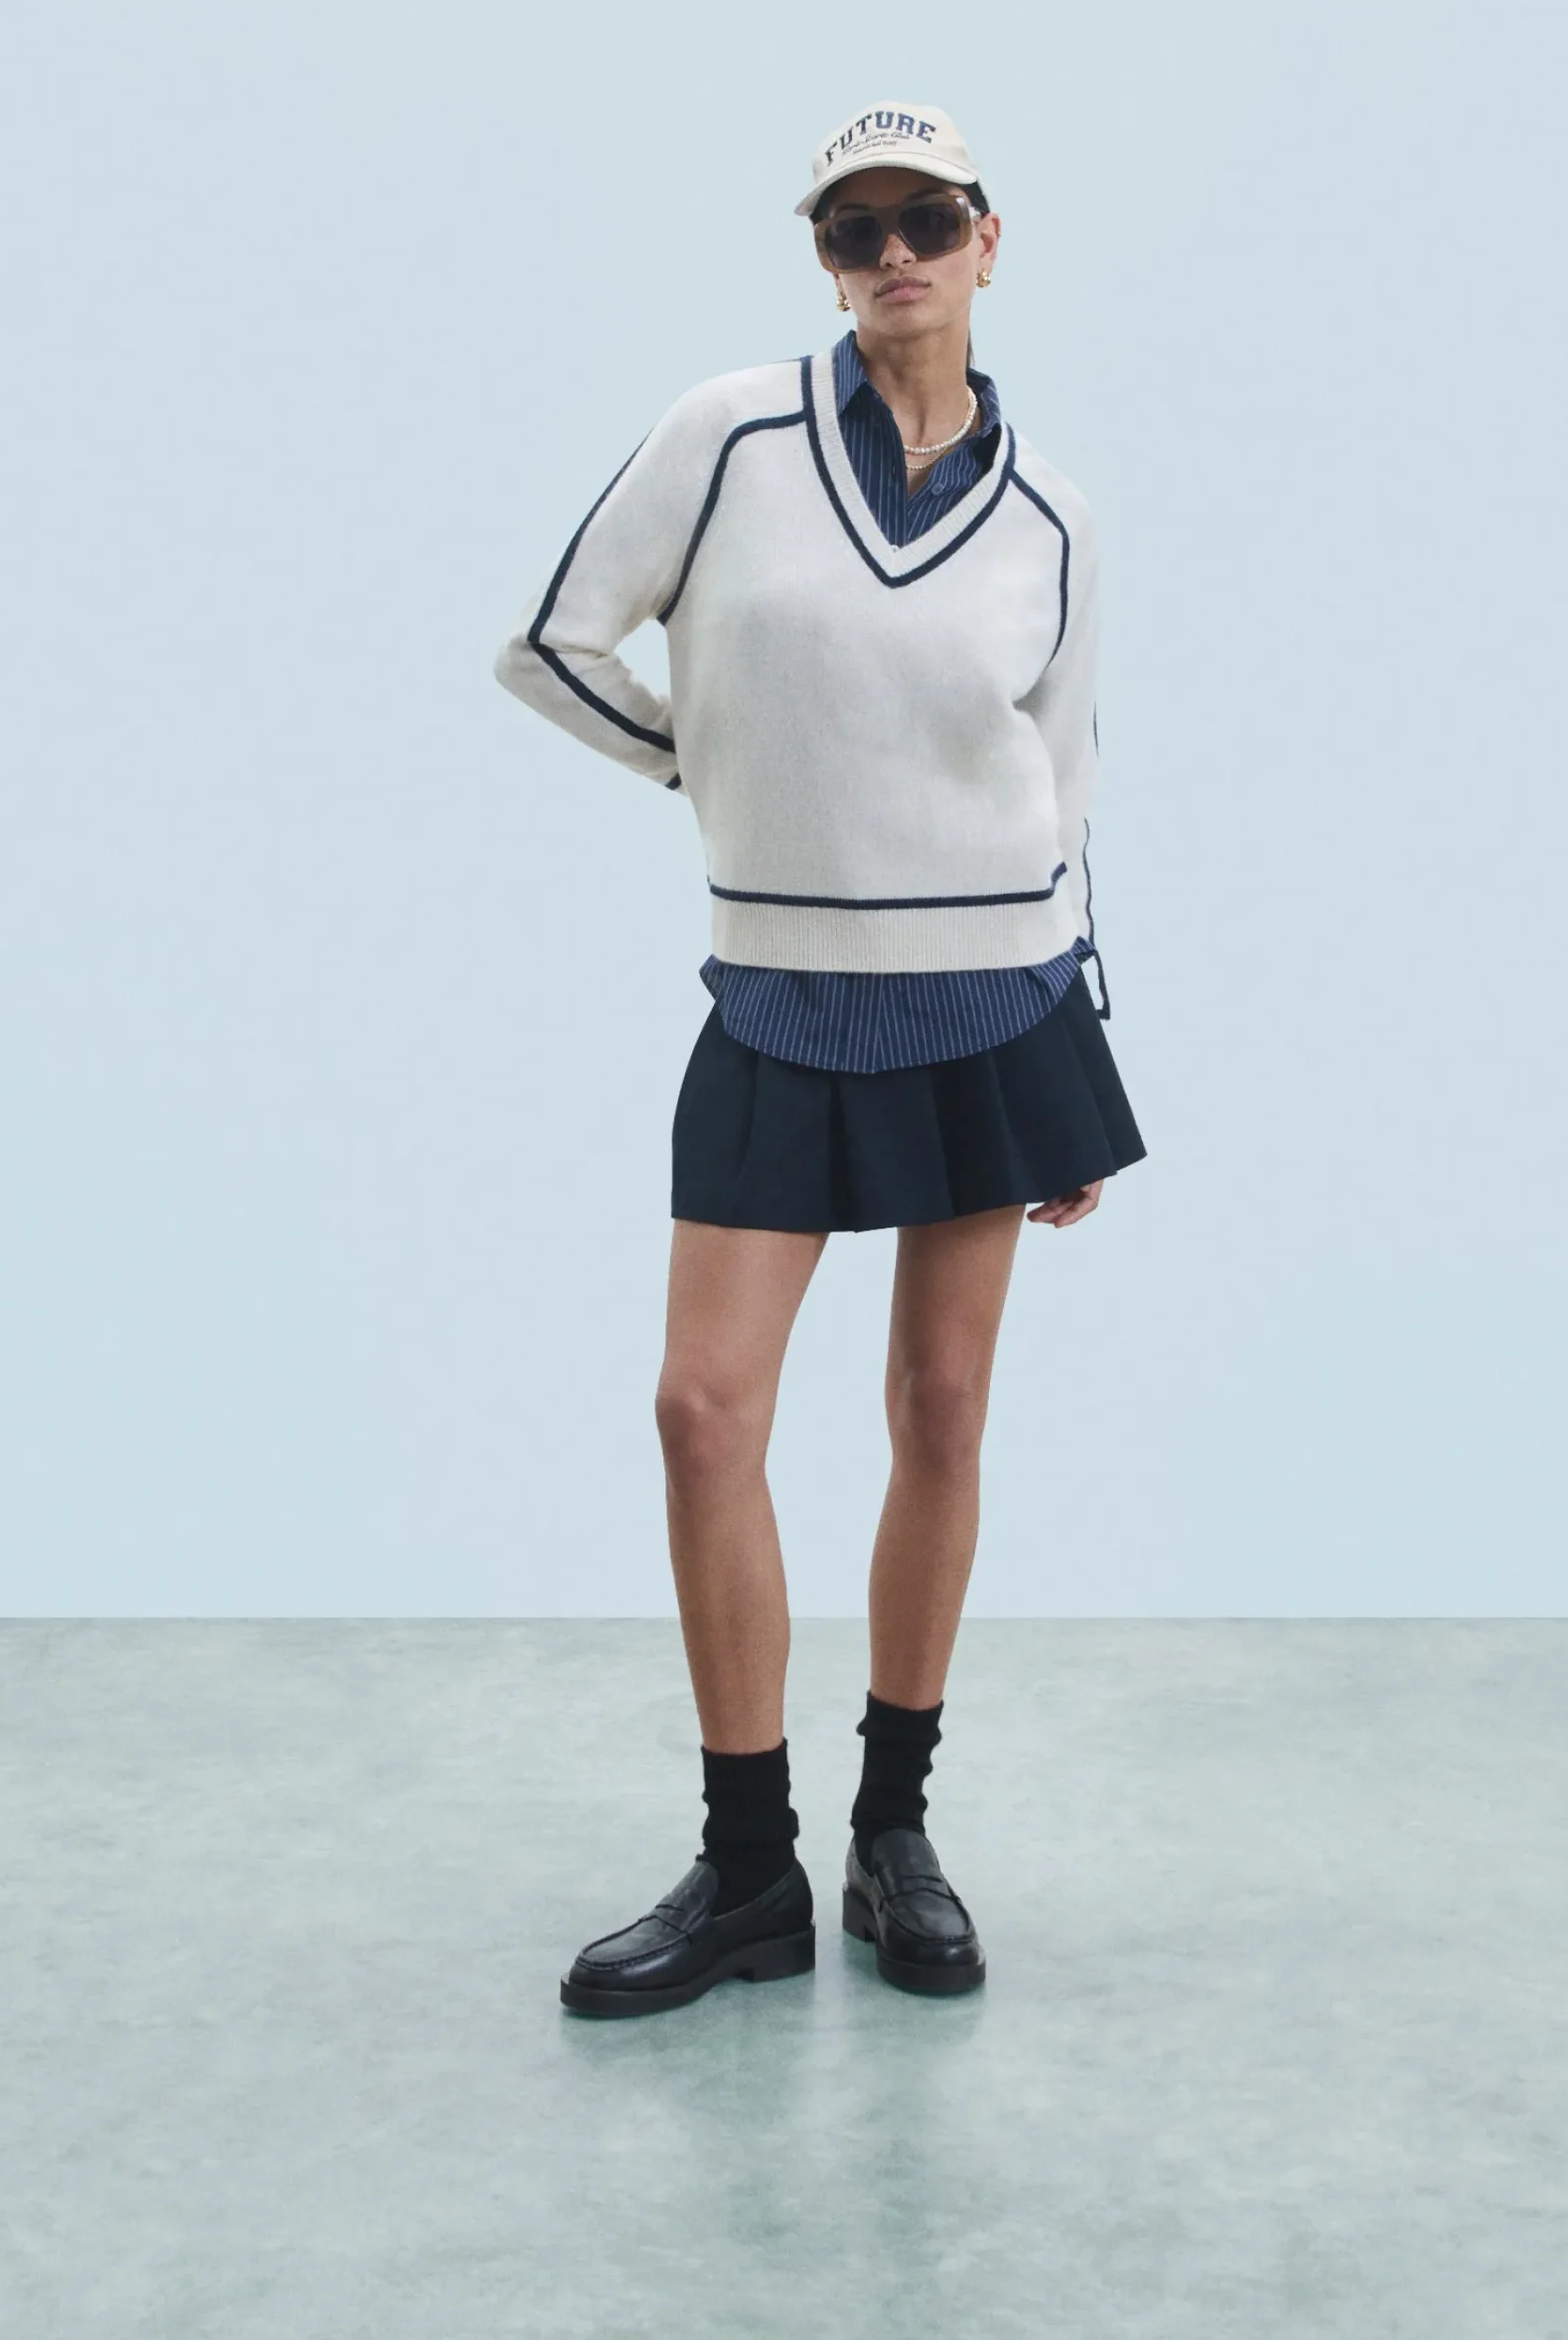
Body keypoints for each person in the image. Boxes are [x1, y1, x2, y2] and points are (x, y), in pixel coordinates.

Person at [494, 99, 1147, 2017]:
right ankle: (747, 1867)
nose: (892, 257)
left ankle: (894, 1837)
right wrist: (704, 767)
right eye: (854, 231)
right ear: (826, 260)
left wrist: (1074, 1039)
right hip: (778, 990)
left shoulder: (1054, 517)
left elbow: (1064, 784)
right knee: (704, 1412)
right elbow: (553, 644)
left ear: (988, 239)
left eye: (925, 219)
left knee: (941, 1413)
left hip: (993, 998)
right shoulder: (729, 438)